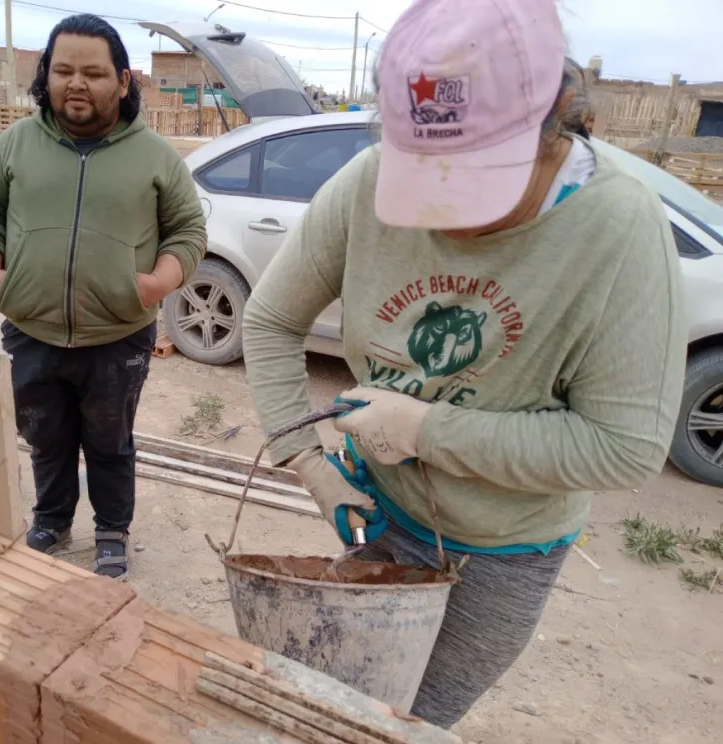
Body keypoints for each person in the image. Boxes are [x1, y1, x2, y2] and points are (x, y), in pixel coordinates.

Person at [242, 0, 685, 730]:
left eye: (474, 178)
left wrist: (427, 430)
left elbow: (624, 447)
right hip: (380, 508)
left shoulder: (616, 227)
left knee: (411, 718)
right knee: (340, 698)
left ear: (555, 125)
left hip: (505, 550)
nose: (442, 215)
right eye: (425, 176)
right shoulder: (363, 183)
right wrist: (310, 464)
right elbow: (268, 321)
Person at [0, 14, 207, 581]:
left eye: (93, 73)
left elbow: (188, 232)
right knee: (44, 436)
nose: (77, 83)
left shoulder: (155, 155)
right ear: (45, 75)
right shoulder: (17, 143)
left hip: (117, 335)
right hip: (32, 328)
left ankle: (112, 530)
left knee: (110, 440)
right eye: (63, 69)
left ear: (123, 81)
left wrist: (156, 284)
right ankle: (51, 519)